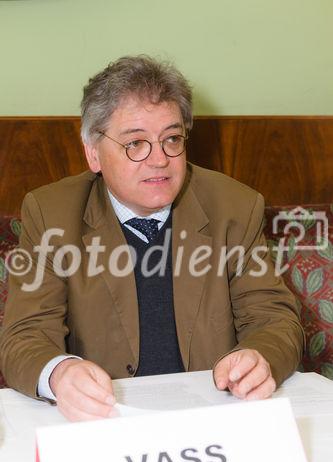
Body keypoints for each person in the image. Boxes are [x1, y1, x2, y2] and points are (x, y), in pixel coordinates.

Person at [0, 55, 304, 421]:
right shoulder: (51, 214)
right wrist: (59, 373)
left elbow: (274, 319)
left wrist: (260, 355)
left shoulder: (235, 207)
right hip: (105, 424)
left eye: (172, 139)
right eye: (136, 144)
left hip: (212, 420)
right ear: (93, 153)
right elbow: (25, 334)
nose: (160, 159)